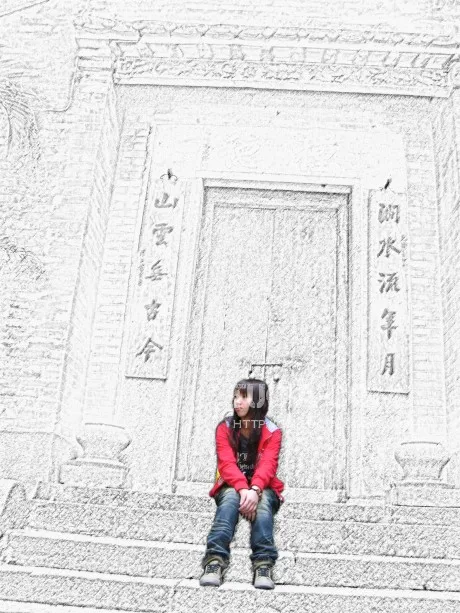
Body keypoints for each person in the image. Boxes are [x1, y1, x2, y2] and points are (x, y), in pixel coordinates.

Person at [199, 378, 285, 589]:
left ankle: (263, 565)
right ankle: (214, 562)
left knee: (263, 504)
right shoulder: (225, 428)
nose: (237, 401)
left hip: (262, 487)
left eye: (244, 397)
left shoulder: (272, 431)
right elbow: (226, 463)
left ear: (258, 401)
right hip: (231, 485)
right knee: (230, 499)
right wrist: (243, 489)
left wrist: (254, 489)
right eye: (236, 396)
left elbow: (268, 465)